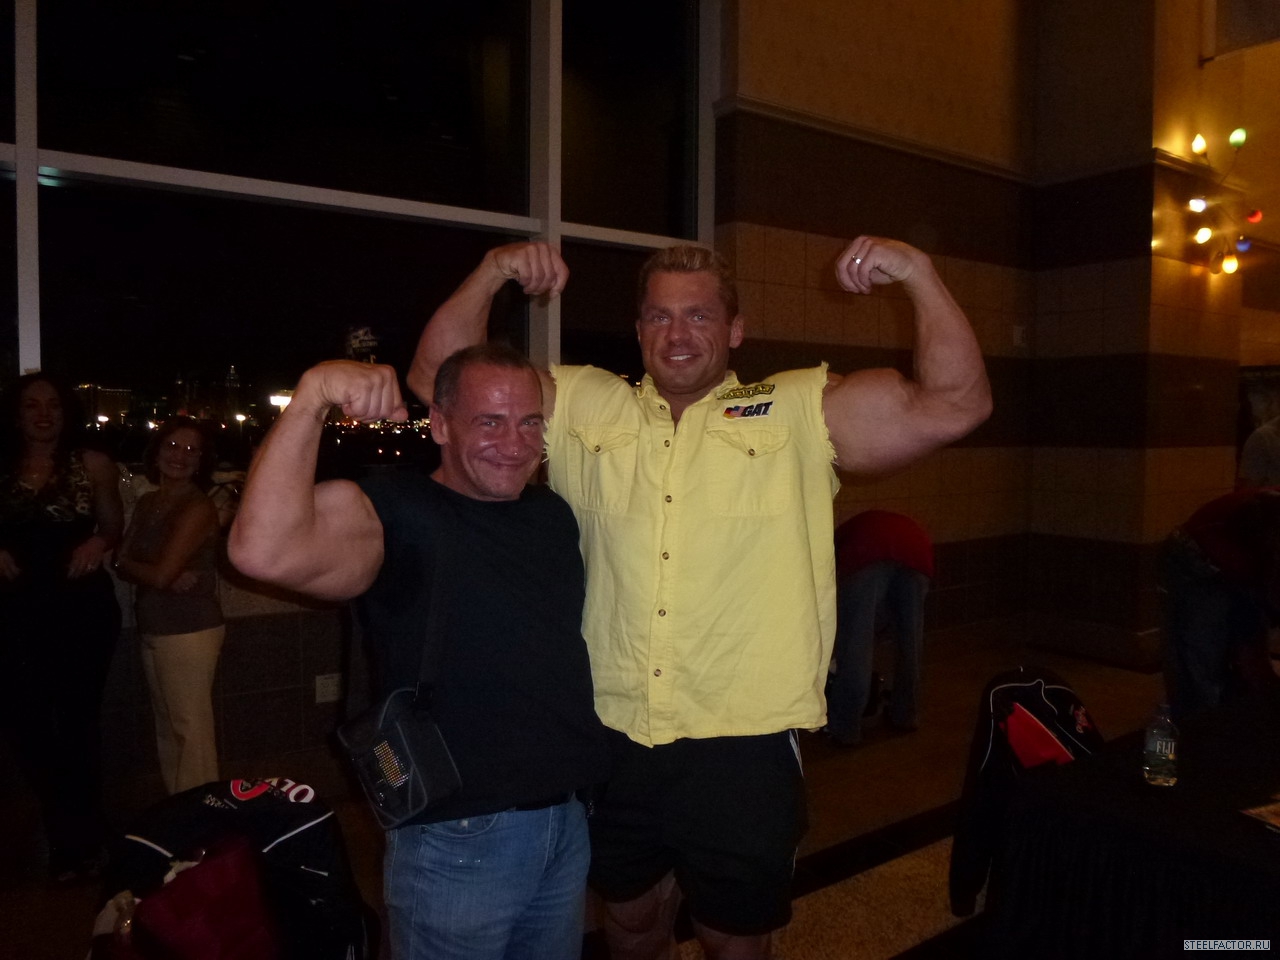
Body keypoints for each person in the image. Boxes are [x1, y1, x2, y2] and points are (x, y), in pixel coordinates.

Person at [409, 237, 991, 959]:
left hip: (743, 744)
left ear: (735, 329)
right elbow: (439, 379)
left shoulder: (794, 410)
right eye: (659, 316)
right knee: (630, 921)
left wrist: (919, 273)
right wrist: (493, 271)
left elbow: (955, 403)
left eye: (699, 316)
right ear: (638, 330)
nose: (677, 334)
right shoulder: (585, 403)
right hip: (614, 731)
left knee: (734, 936)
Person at [227, 346, 608, 960]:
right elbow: (260, 551)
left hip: (564, 823)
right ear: (441, 425)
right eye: (490, 422)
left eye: (529, 422)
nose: (514, 444)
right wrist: (312, 397)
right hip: (457, 837)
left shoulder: (551, 514)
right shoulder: (396, 508)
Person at [0, 373, 124, 882]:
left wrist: (99, 541)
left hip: (80, 609)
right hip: (14, 610)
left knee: (76, 723)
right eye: (32, 405)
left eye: (52, 404)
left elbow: (113, 526)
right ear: (16, 414)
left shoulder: (92, 463)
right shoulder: (1, 465)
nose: (43, 414)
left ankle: (81, 842)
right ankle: (67, 826)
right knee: (26, 725)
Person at [114, 417, 224, 794]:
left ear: (202, 461)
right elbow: (121, 561)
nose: (180, 455)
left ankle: (203, 817)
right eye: (172, 446)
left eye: (192, 450)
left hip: (189, 629)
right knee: (168, 730)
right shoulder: (149, 502)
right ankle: (179, 812)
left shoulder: (197, 506)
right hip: (154, 624)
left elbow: (151, 571)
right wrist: (157, 572)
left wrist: (153, 571)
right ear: (156, 451)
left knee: (191, 733)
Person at [1159, 487, 1280, 720]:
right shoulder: (1253, 543)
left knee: (1242, 655)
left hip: (1243, 557)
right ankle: (1199, 725)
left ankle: (1229, 713)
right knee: (1200, 665)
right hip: (1197, 557)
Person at [826, 510, 934, 746]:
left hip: (868, 553)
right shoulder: (863, 525)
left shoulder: (835, 543)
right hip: (917, 549)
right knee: (910, 643)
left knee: (856, 647)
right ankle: (906, 715)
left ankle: (845, 728)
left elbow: (842, 607)